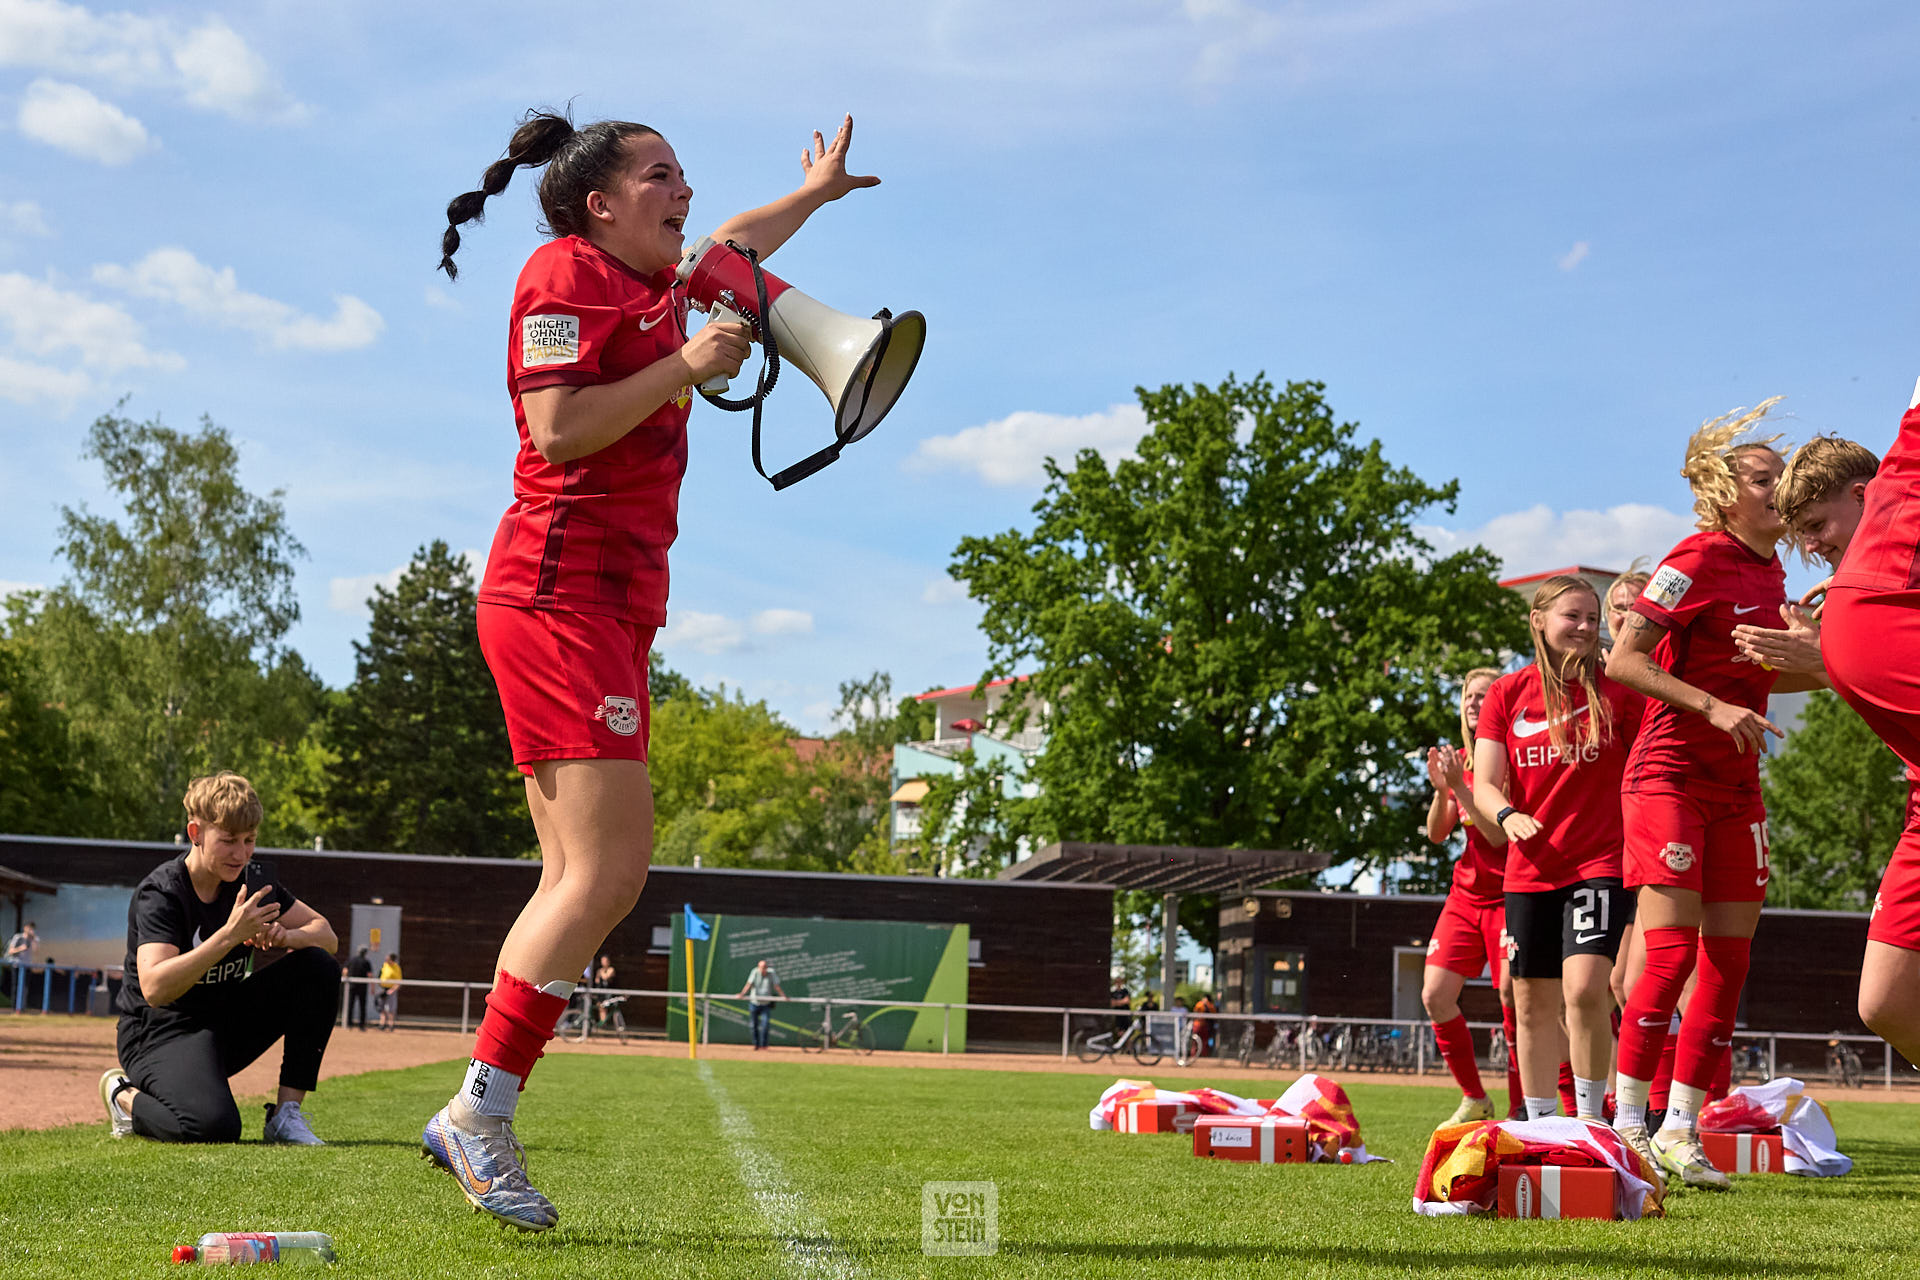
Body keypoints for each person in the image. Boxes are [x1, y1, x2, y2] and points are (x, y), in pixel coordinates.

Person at [421, 106, 880, 1231]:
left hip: (608, 609)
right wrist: (682, 363)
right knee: (610, 870)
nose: (683, 191)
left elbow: (741, 238)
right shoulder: (558, 273)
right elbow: (559, 428)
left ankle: (479, 1108)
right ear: (602, 204)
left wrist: (813, 193)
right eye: (660, 175)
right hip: (555, 595)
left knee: (578, 875)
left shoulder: (674, 275)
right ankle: (479, 1112)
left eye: (683, 175)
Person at [1605, 400, 1821, 1189]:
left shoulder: (1774, 574)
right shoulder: (1691, 558)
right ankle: (1626, 1125)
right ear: (1726, 494)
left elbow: (1778, 671)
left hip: (1739, 788)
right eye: (1766, 478)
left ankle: (1679, 1129)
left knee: (1727, 966)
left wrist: (1823, 657)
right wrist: (1712, 705)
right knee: (1666, 957)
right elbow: (1621, 663)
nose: (1781, 489)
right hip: (1667, 777)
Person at [1736, 433, 1920, 1069]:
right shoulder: (1861, 588)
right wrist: (1831, 659)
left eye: (1816, 524)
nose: (1811, 546)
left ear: (1867, 495)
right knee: (1887, 1001)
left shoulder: (1906, 517)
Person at [1475, 577, 1644, 1127]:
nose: (1586, 627)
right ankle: (1542, 1124)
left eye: (1593, 618)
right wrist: (1507, 813)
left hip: (1599, 866)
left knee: (1587, 989)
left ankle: (1597, 1124)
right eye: (1574, 616)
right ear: (1538, 621)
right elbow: (1484, 783)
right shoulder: (1507, 693)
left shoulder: (1621, 690)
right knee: (1529, 1003)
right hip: (1528, 872)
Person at [99, 773, 340, 1144]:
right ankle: (123, 1097)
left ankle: (285, 1115)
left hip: (222, 1022)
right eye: (228, 840)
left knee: (318, 966)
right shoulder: (162, 892)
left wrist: (284, 935)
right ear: (195, 833)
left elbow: (327, 936)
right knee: (213, 1127)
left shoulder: (250, 882)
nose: (241, 854)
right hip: (160, 1032)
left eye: (249, 841)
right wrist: (230, 935)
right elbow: (155, 988)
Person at [1421, 668, 1519, 1126]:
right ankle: (1475, 1098)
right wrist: (1444, 790)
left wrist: (1459, 785)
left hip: (1509, 894)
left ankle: (1524, 1108)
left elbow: (1499, 838)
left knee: (1513, 1000)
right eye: (1468, 696)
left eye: (1484, 695)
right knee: (1435, 994)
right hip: (1465, 895)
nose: (1474, 703)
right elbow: (1437, 834)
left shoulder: (1508, 759)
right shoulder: (1460, 759)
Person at [736, 959, 787, 1050]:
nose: (762, 969)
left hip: (766, 1004)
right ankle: (756, 1045)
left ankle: (764, 1045)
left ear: (767, 968)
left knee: (765, 1025)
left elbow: (776, 986)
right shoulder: (754, 972)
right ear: (758, 967)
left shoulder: (771, 973)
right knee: (753, 1025)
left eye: (764, 967)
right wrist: (742, 994)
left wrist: (783, 996)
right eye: (761, 967)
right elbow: (749, 984)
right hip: (754, 1003)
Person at [347, 946, 373, 1031]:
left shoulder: (351, 960)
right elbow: (370, 975)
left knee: (350, 1004)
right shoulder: (366, 962)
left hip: (352, 986)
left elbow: (345, 971)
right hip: (362, 987)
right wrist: (372, 987)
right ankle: (361, 1025)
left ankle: (349, 1024)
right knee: (362, 1006)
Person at [593, 954, 619, 1028]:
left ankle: (604, 1024)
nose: (603, 962)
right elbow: (597, 981)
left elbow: (605, 977)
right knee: (600, 1008)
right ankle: (602, 1023)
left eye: (605, 961)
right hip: (600, 992)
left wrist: (601, 973)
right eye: (602, 961)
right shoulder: (599, 970)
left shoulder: (611, 969)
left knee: (604, 1007)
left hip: (608, 992)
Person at [377, 953, 402, 1031]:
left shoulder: (396, 967)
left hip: (391, 989)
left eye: (388, 959)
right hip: (383, 989)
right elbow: (380, 975)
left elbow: (399, 981)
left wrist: (392, 990)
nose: (386, 960)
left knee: (391, 1009)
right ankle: (382, 1024)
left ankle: (391, 1025)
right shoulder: (384, 965)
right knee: (381, 1007)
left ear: (392, 960)